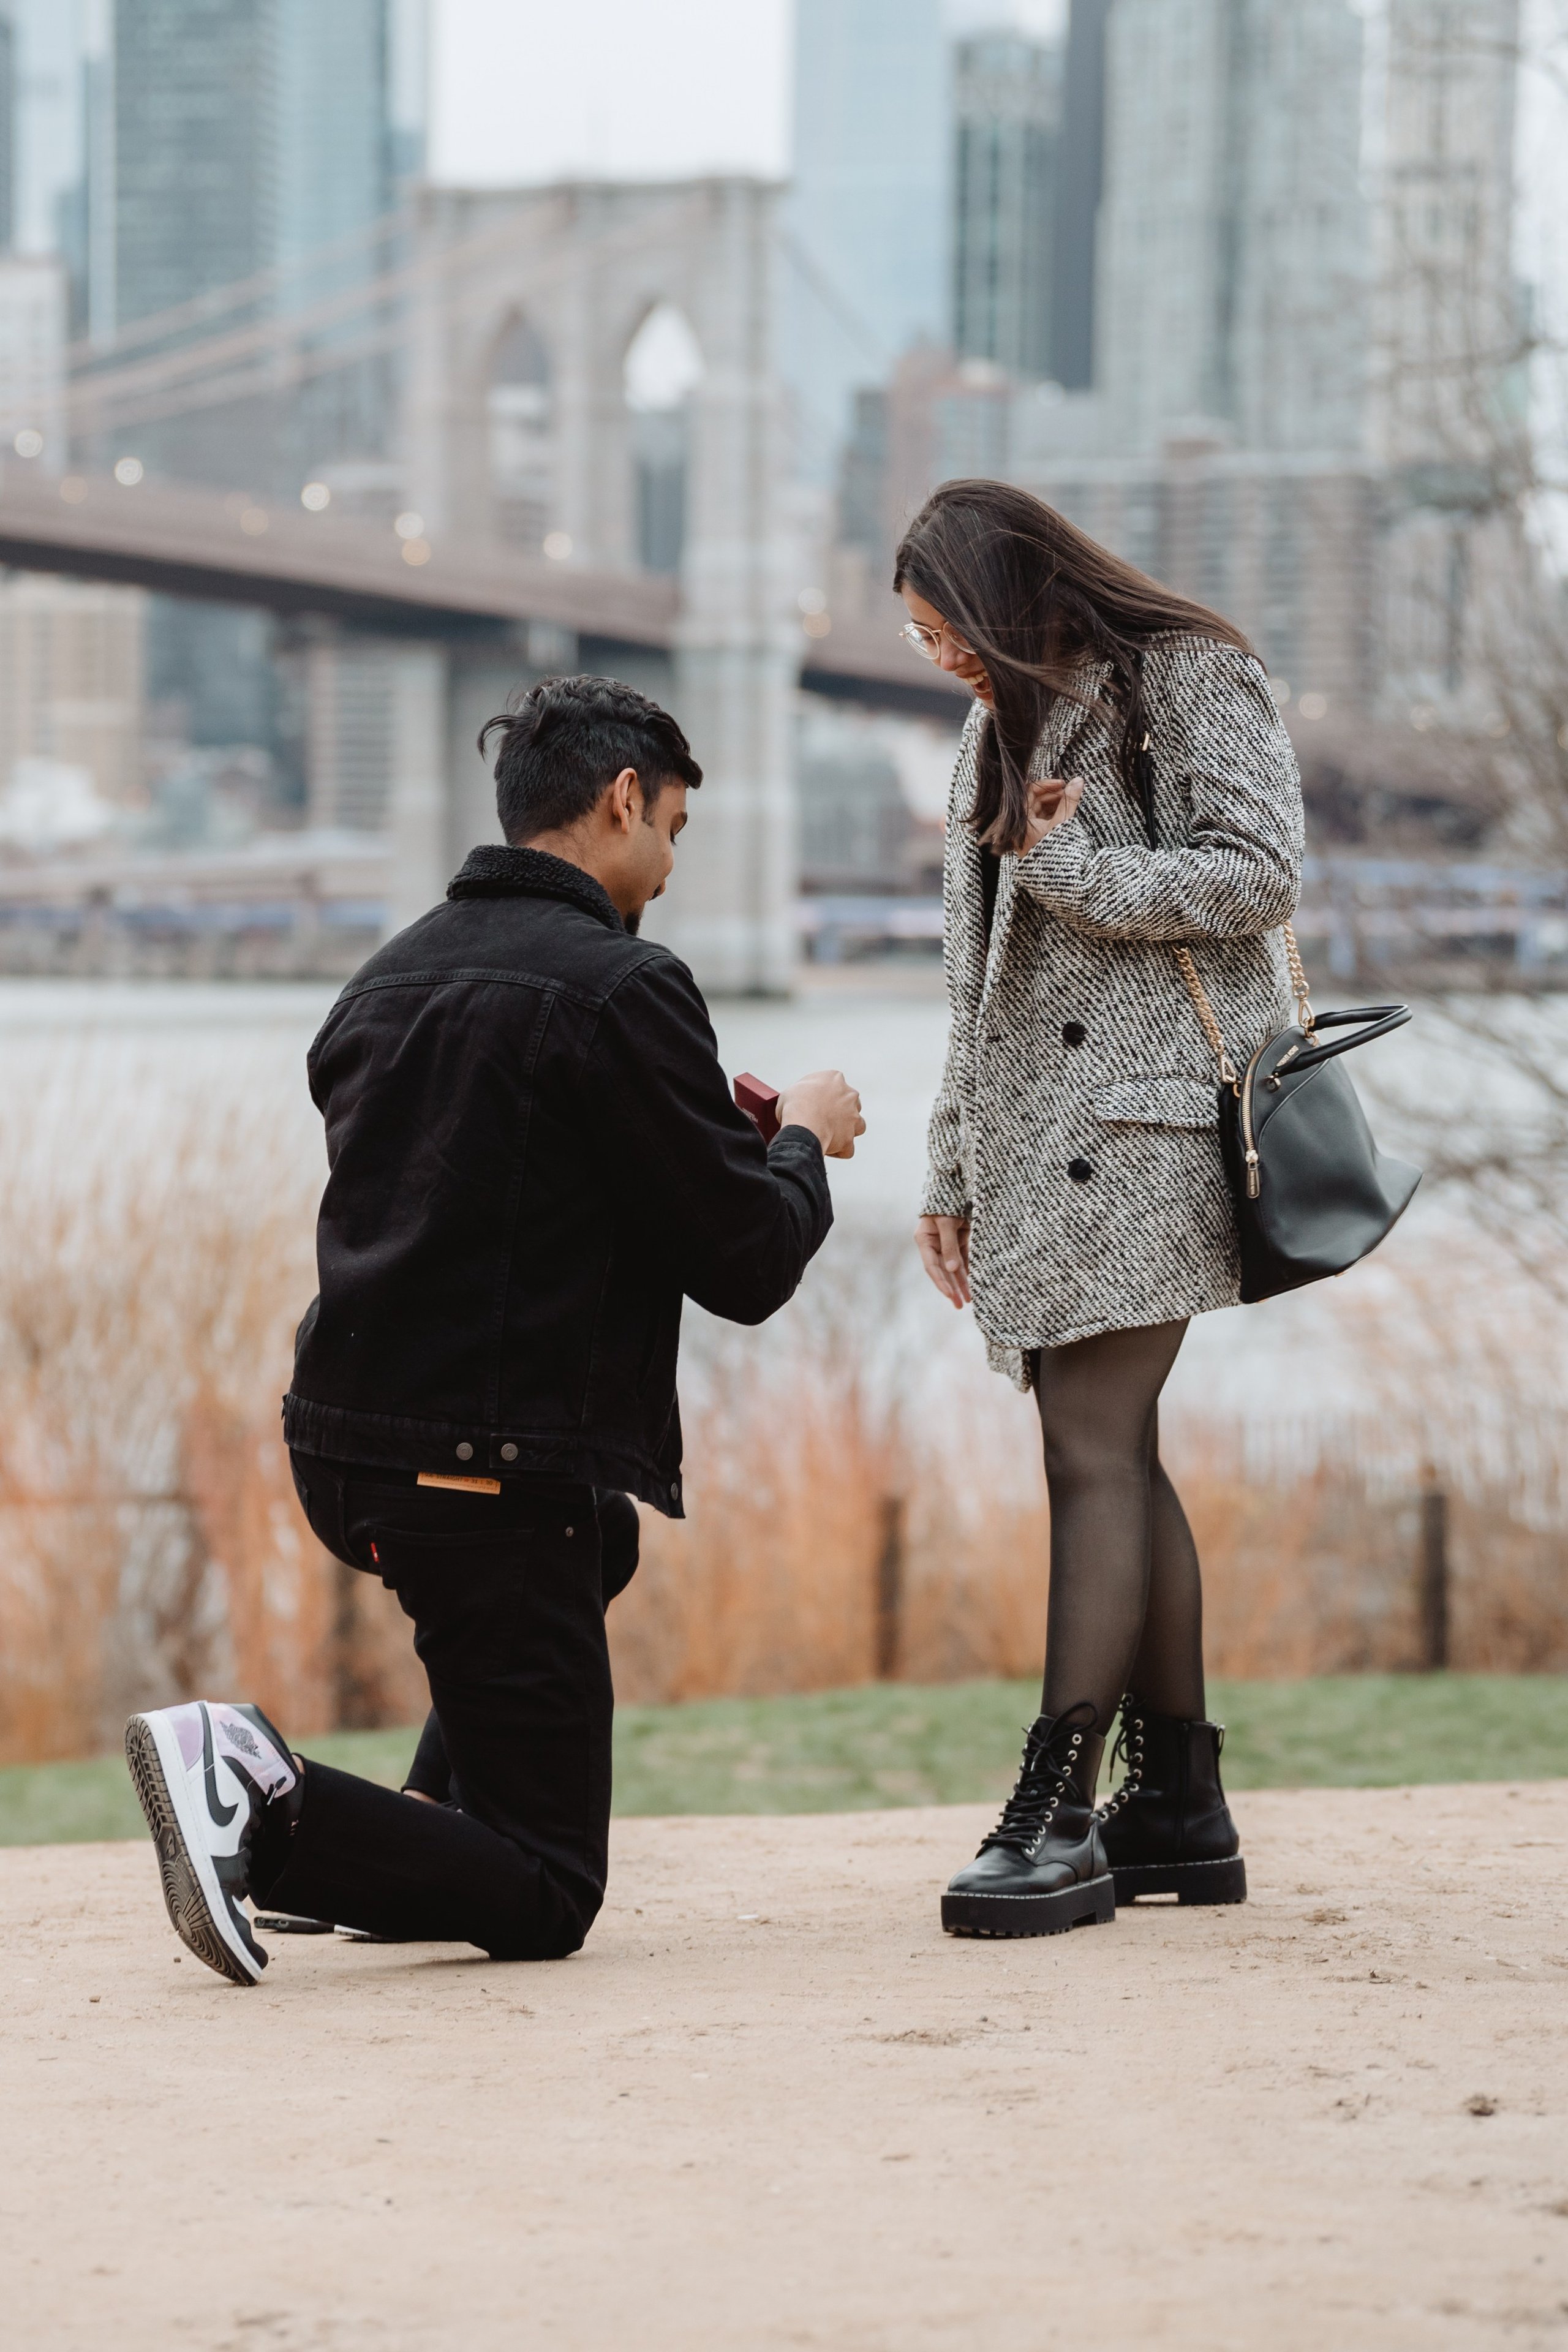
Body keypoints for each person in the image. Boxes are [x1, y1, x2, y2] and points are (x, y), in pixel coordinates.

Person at [125, 674, 864, 1985]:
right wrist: (803, 1142)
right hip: (487, 1474)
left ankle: (398, 1846)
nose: (671, 866)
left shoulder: (383, 977)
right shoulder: (624, 986)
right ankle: (262, 1791)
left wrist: (703, 1146)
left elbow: (510, 1182)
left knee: (601, 1545)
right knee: (544, 1891)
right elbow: (747, 1265)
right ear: (622, 799)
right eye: (674, 831)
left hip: (347, 1448)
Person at [899, 480, 1304, 1939]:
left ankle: (1058, 1808)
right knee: (1111, 1449)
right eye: (920, 641)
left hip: (1144, 1133)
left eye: (945, 629)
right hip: (1029, 1144)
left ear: (1005, 593)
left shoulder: (1189, 675)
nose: (935, 658)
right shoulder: (993, 721)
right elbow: (977, 983)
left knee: (1084, 1444)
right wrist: (947, 1167)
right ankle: (1178, 1809)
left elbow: (1260, 875)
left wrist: (1071, 866)